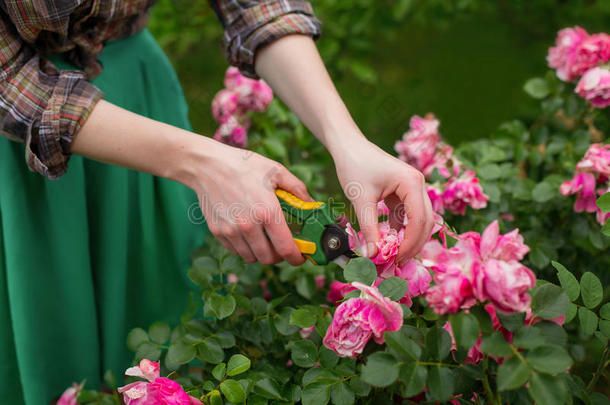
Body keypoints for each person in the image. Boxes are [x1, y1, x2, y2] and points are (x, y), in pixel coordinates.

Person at [0, 1, 434, 403]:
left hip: (140, 104)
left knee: (162, 337)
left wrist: (347, 142)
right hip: (22, 142)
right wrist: (203, 165)